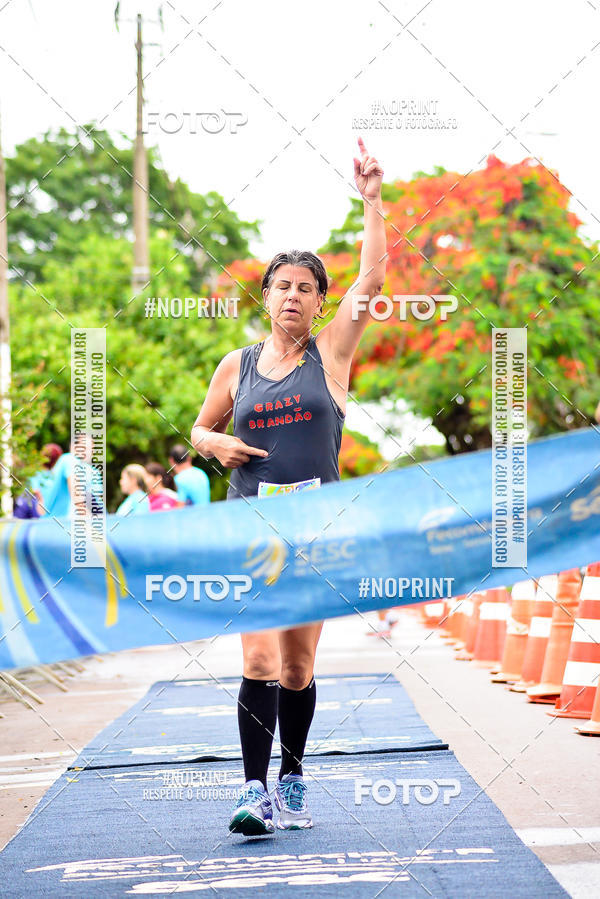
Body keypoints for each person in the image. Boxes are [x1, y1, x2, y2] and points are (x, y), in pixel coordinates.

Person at [191, 137, 386, 836]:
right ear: (267, 295)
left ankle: (293, 773)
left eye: (307, 286)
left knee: (298, 667)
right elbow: (197, 429)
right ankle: (252, 790)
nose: (294, 295)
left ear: (318, 301)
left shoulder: (331, 355)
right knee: (259, 657)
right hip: (250, 528)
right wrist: (211, 440)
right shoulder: (235, 365)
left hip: (317, 530)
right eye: (283, 285)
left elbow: (371, 282)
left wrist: (371, 198)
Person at [44, 435, 102, 519]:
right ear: (73, 447)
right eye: (85, 447)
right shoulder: (69, 460)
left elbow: (97, 502)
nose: (90, 452)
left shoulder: (92, 471)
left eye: (91, 448)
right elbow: (77, 496)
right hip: (58, 523)